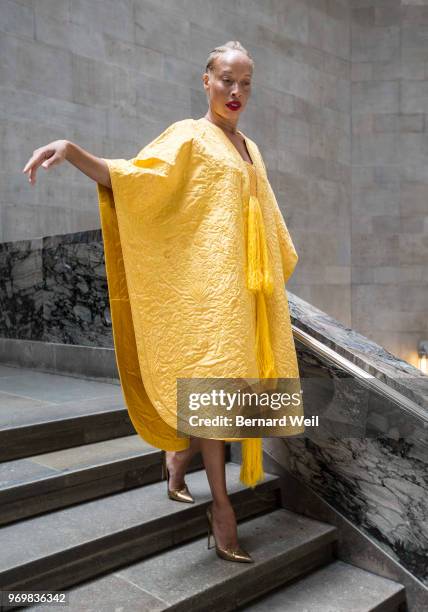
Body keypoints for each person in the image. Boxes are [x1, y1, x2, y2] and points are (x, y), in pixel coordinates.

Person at [22, 41, 304, 563]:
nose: (236, 92)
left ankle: (177, 458)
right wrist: (73, 149)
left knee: (238, 389)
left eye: (245, 83)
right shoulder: (189, 135)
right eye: (226, 80)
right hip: (208, 296)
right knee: (218, 393)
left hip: (247, 293)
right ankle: (222, 509)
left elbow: (265, 218)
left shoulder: (251, 148)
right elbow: (138, 179)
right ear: (206, 80)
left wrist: (272, 274)